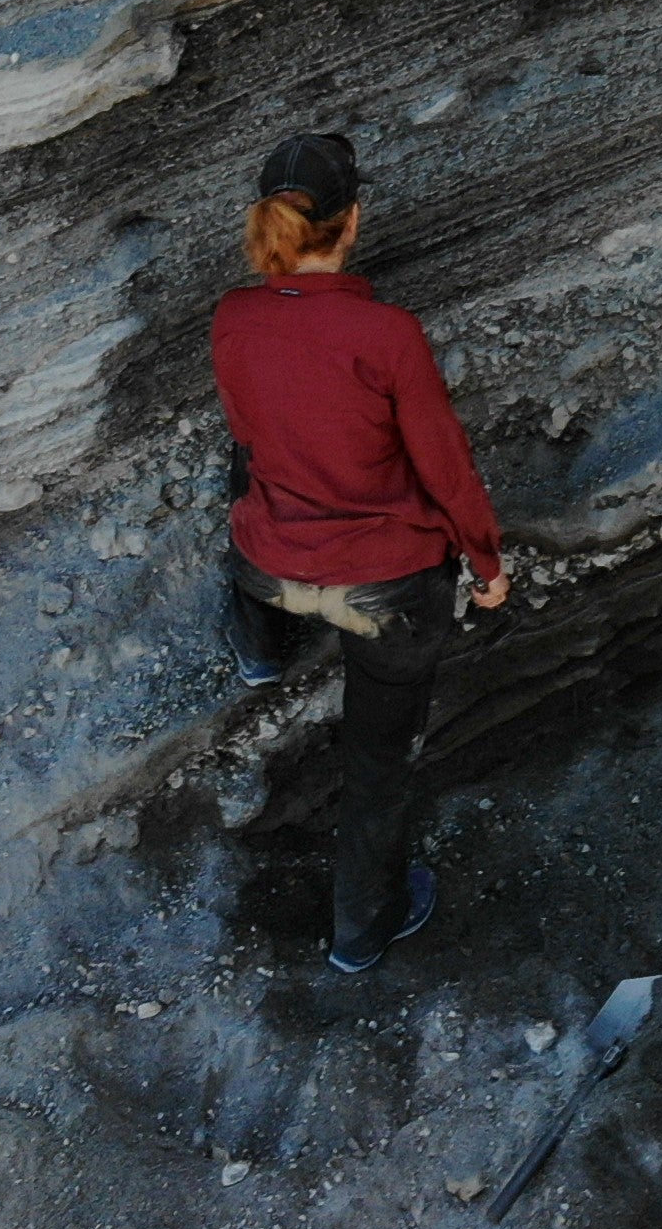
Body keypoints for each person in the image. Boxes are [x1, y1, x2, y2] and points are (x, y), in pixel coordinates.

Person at [209, 132, 511, 975]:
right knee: (377, 766)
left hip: (271, 570)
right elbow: (445, 467)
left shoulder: (233, 318)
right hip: (383, 595)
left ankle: (260, 651)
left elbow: (247, 438)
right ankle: (359, 929)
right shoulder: (387, 335)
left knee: (245, 484)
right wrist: (486, 566)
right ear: (352, 224)